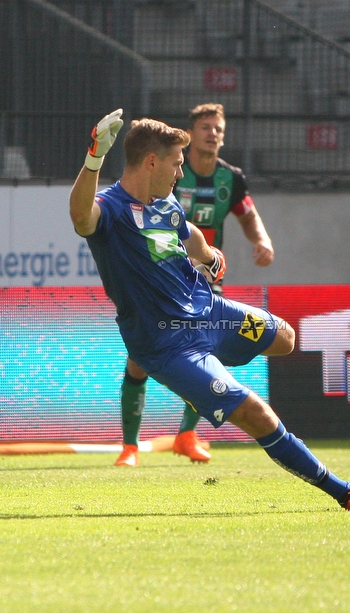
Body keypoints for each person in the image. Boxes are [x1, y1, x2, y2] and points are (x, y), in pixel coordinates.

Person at [68, 109, 350, 511]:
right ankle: (345, 492)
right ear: (152, 161)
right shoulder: (109, 209)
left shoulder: (166, 205)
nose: (180, 174)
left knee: (285, 338)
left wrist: (209, 255)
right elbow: (80, 216)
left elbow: (188, 232)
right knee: (255, 413)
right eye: (177, 164)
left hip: (209, 313)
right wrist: (94, 158)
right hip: (166, 345)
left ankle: (204, 382)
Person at [118, 103, 274, 466]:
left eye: (218, 128)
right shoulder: (172, 173)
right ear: (192, 132)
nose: (212, 133)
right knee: (139, 360)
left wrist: (261, 240)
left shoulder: (231, 179)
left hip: (203, 279)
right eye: (205, 127)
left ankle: (187, 435)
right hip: (160, 278)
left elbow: (248, 215)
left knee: (208, 354)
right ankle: (130, 446)